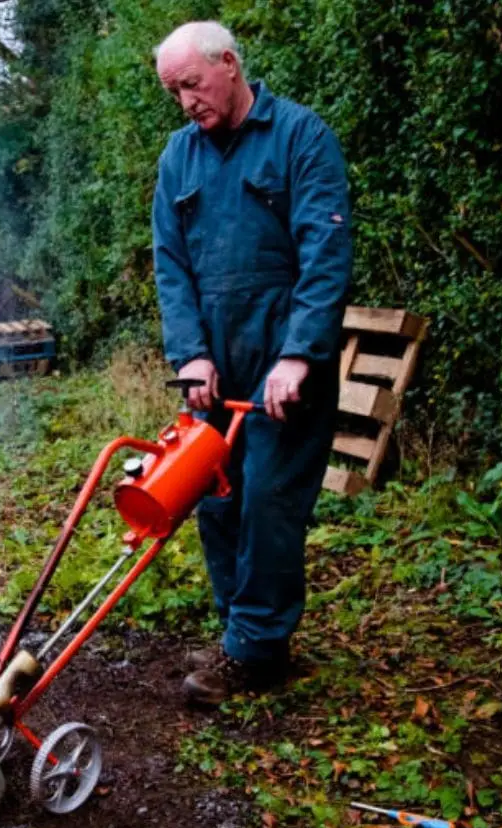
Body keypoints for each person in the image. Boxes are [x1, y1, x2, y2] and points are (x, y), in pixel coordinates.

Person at [150, 21, 352, 705]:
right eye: (173, 91)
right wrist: (191, 356)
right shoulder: (179, 158)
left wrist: (299, 354)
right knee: (215, 497)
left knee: (268, 499)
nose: (185, 103)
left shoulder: (300, 137)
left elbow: (325, 257)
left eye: (191, 85)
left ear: (229, 64)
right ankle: (238, 630)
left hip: (283, 361)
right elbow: (171, 268)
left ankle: (257, 650)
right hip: (214, 364)